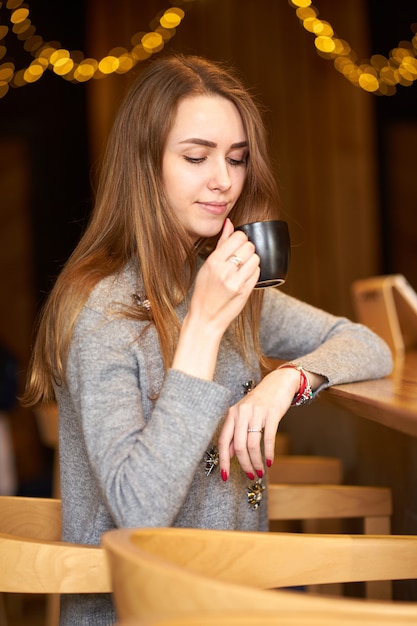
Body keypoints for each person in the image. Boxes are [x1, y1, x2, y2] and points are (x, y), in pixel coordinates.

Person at [22, 54, 392, 625]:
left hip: (234, 598)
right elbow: (137, 510)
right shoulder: (102, 311)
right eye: (196, 157)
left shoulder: (222, 281)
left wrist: (285, 383)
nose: (223, 179)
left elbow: (367, 345)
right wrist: (203, 327)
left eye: (237, 159)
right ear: (145, 166)